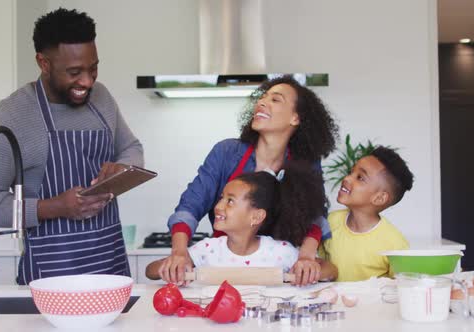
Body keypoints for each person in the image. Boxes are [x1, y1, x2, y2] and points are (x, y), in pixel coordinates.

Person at [0, 8, 144, 284]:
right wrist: (54, 207)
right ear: (43, 63)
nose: (87, 81)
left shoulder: (102, 98)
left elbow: (132, 148)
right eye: (74, 72)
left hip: (111, 271)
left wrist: (122, 170)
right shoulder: (11, 117)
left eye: (93, 68)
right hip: (49, 280)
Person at [161, 76, 339, 285]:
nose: (261, 102)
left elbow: (315, 215)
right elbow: (190, 204)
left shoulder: (307, 163)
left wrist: (306, 257)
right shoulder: (227, 152)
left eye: (276, 99)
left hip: (280, 271)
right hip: (225, 266)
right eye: (262, 97)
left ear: (295, 118)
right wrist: (180, 253)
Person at [147, 162, 338, 282]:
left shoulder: (280, 252)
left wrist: (310, 269)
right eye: (221, 198)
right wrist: (171, 266)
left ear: (256, 217)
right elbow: (150, 271)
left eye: (230, 201)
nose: (218, 206)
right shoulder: (208, 250)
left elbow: (331, 271)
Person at [318, 146, 414, 282]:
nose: (347, 178)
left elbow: (402, 287)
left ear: (379, 198)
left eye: (360, 178)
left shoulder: (395, 244)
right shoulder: (330, 221)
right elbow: (318, 262)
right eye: (351, 172)